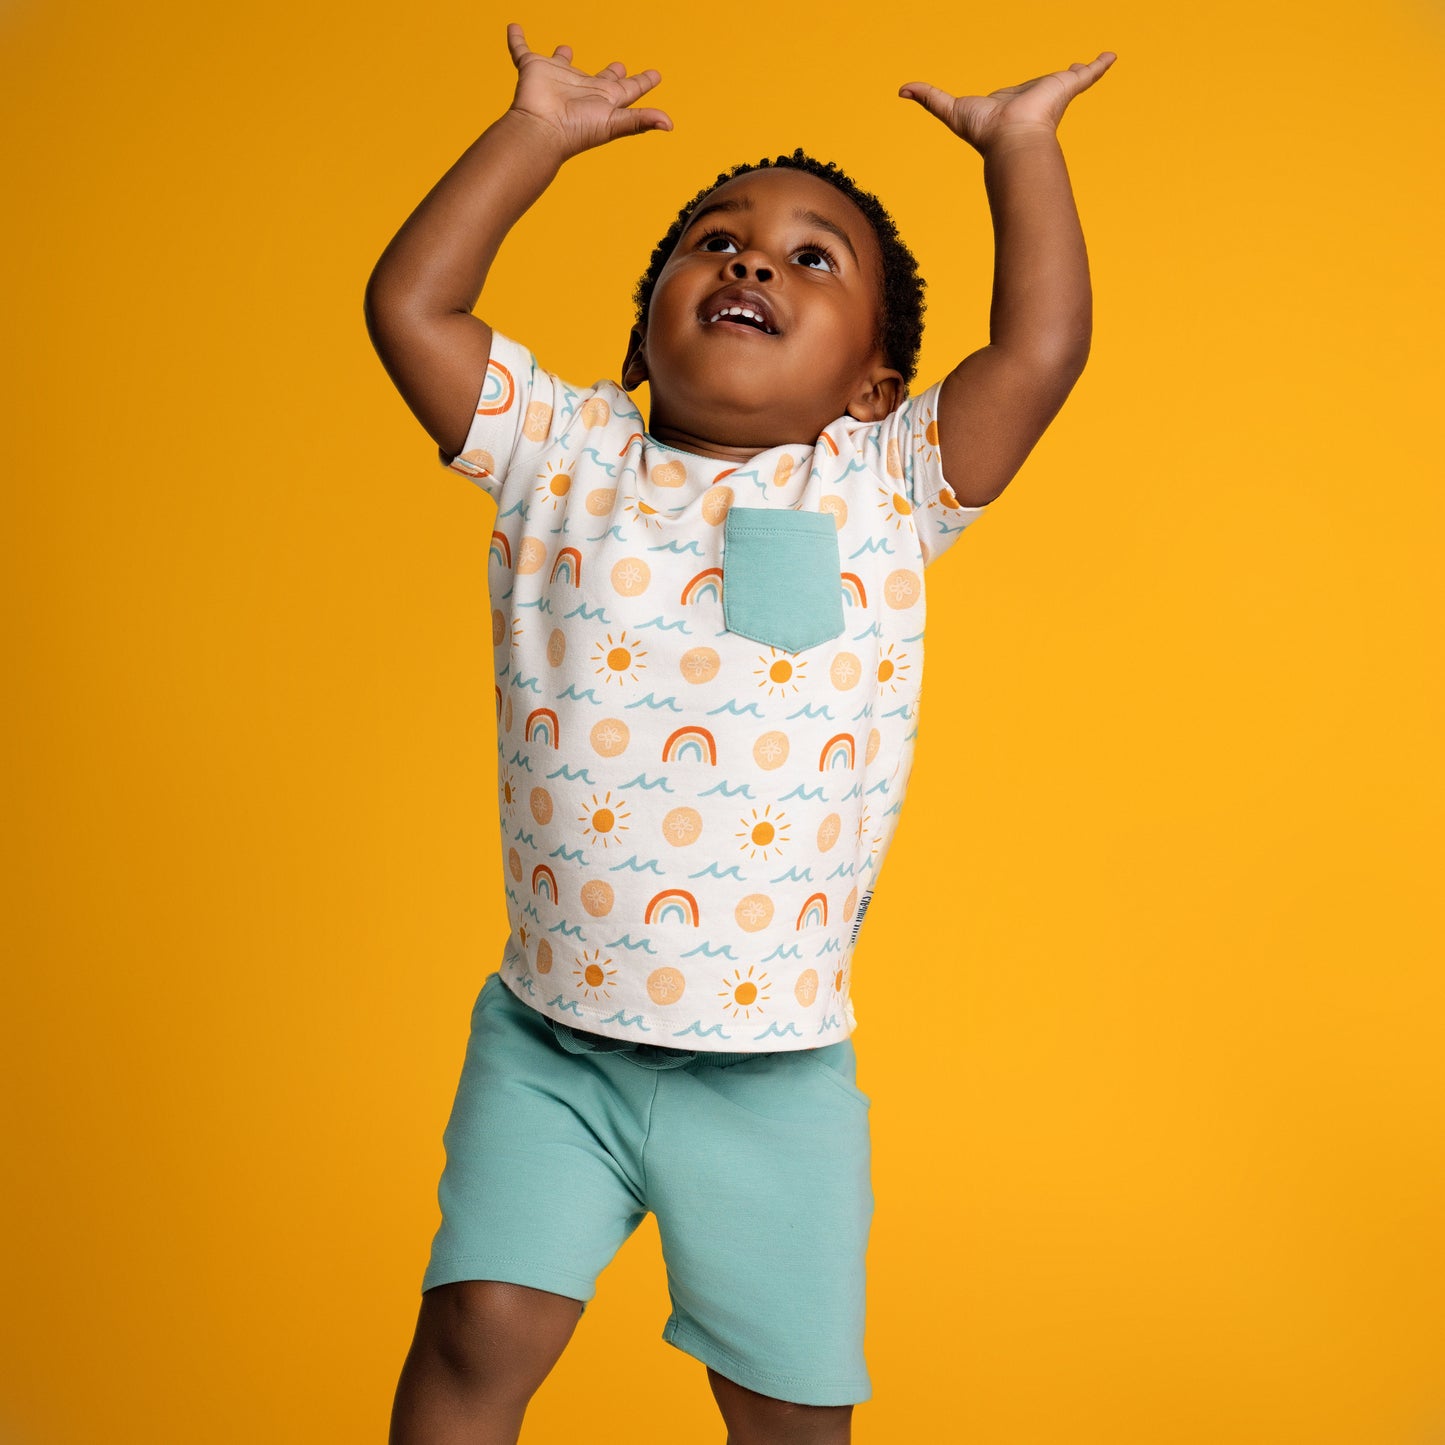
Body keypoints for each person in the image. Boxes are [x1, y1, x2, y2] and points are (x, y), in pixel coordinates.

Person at [365, 23, 1114, 1443]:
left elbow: (1039, 346)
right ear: (646, 321)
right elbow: (411, 306)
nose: (752, 260)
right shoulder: (560, 457)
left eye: (810, 256)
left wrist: (1022, 150)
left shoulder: (885, 489)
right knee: (471, 1340)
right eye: (714, 241)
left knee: (788, 1416)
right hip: (551, 1047)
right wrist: (531, 131)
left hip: (771, 1076)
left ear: (874, 382)